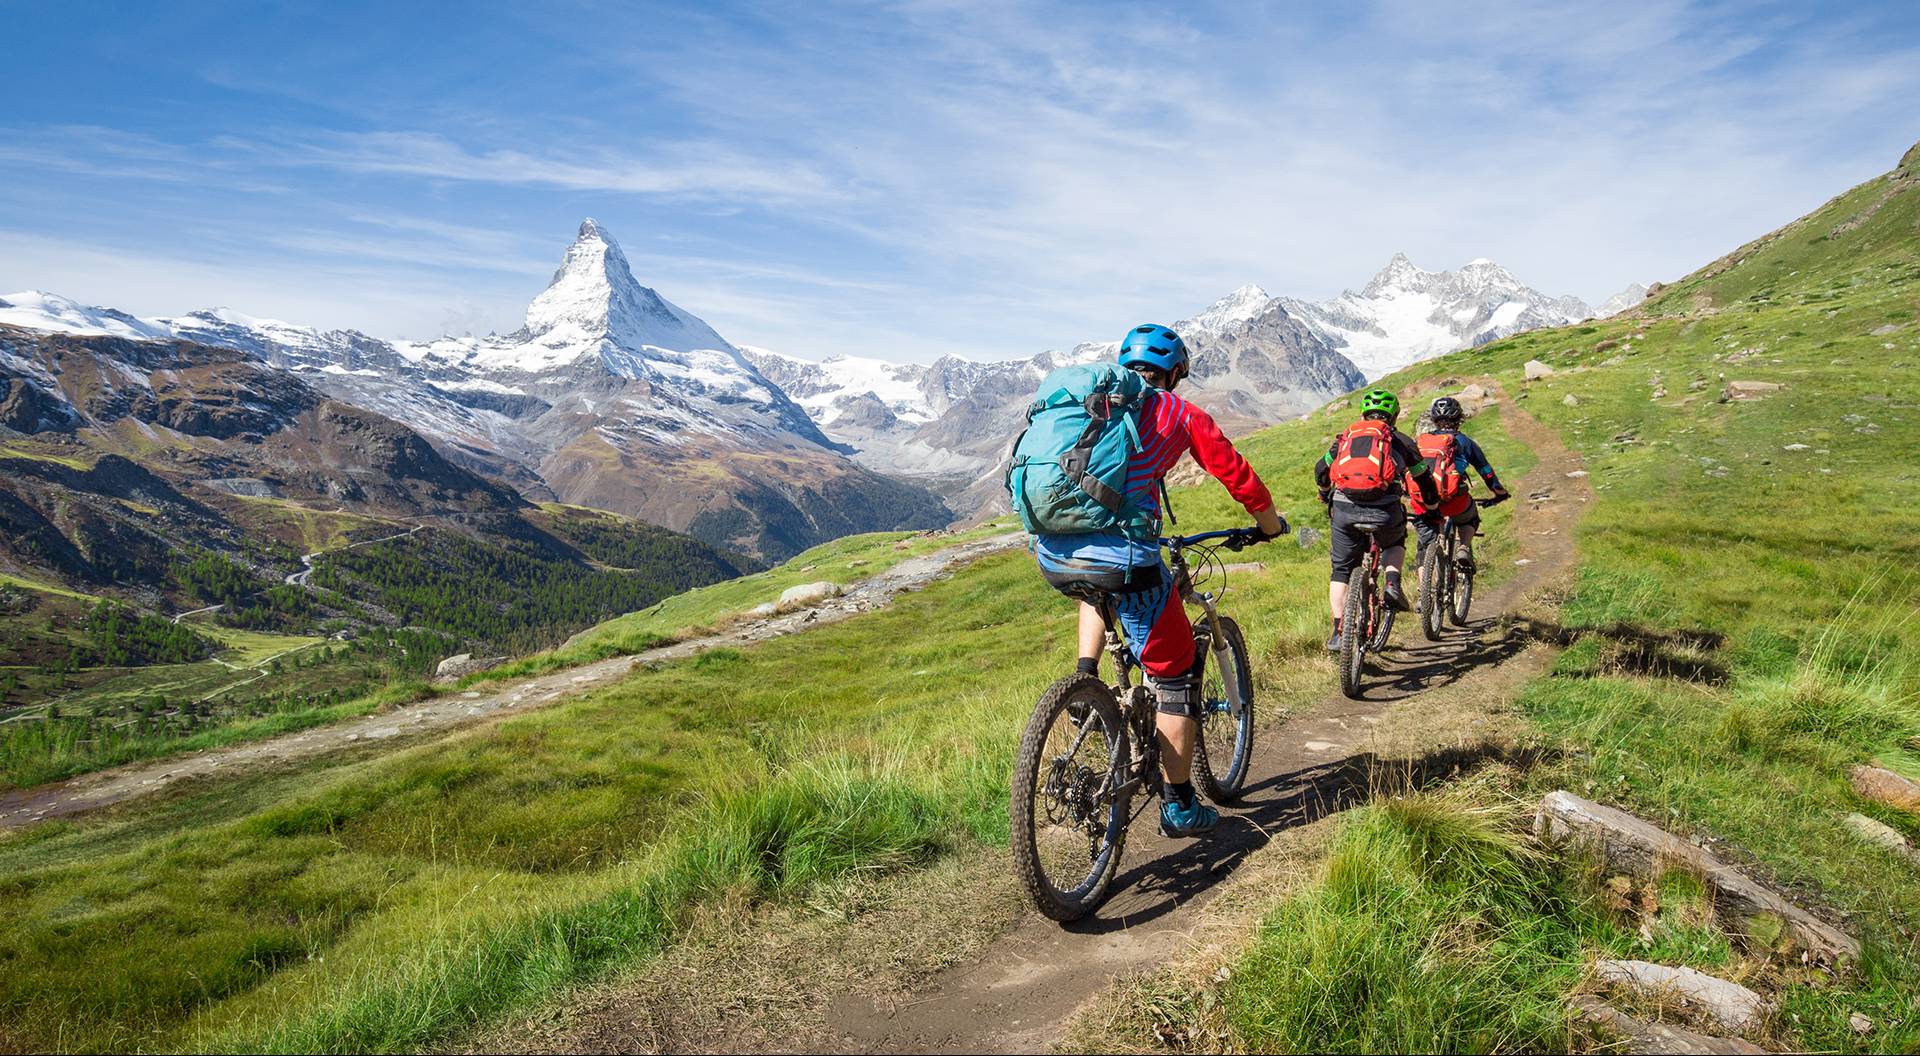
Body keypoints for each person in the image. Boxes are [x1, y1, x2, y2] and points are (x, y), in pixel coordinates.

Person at [1031, 324, 1286, 838]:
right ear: (1174, 372)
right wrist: (1269, 525)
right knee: (1177, 673)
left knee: (1096, 588)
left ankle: (1086, 681)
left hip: (1053, 553)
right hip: (1126, 557)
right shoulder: (1177, 413)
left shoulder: (1092, 403)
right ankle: (1179, 804)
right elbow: (1235, 472)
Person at [1314, 387, 1439, 653]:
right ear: (1393, 417)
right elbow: (1422, 476)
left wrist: (1325, 494)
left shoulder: (1344, 439)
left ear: (1363, 414)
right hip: (1384, 510)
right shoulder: (1401, 441)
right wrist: (1431, 503)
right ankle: (1392, 583)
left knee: (1341, 570)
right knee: (1394, 543)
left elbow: (1321, 469)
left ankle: (1339, 631)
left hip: (1344, 509)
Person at [1409, 395, 1511, 578]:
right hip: (1454, 499)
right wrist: (1499, 493)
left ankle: (1422, 592)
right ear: (1459, 419)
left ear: (1434, 420)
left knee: (1424, 546)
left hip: (1425, 502)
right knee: (1469, 518)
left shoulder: (1422, 441)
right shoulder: (1464, 442)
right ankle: (1463, 547)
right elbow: (1486, 471)